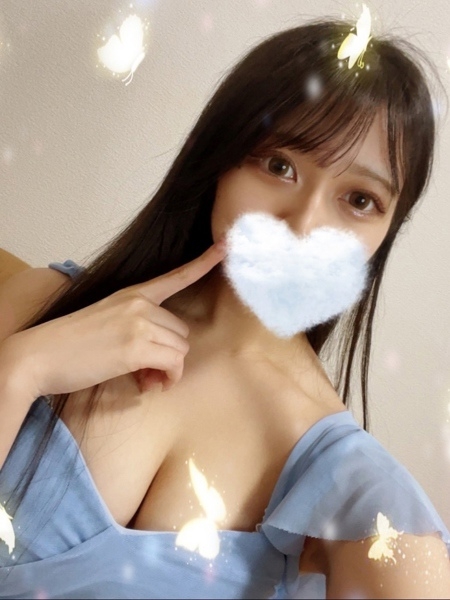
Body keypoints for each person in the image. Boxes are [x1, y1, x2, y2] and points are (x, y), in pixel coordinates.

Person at [0, 15, 449, 600]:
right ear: (219, 156)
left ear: (385, 233)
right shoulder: (43, 305)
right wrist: (20, 370)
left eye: (360, 200)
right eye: (280, 165)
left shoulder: (359, 494)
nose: (303, 225)